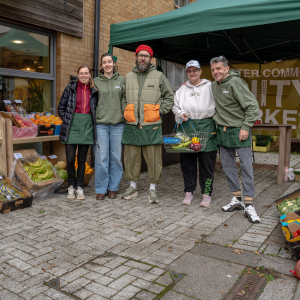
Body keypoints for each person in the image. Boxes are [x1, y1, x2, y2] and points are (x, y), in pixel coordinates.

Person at [210, 56, 260, 223]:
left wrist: (246, 127)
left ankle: (249, 204)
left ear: (227, 69)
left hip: (239, 131)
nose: (215, 72)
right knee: (228, 166)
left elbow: (252, 106)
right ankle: (237, 199)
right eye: (213, 69)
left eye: (218, 68)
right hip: (222, 132)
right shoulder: (213, 85)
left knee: (246, 166)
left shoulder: (236, 83)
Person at [121, 45, 174, 203]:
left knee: (153, 158)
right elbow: (123, 97)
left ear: (151, 59)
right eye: (140, 55)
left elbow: (169, 96)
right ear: (136, 57)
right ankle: (132, 187)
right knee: (131, 158)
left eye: (146, 56)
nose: (143, 58)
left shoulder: (159, 76)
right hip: (132, 125)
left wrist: (160, 111)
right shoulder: (128, 77)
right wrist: (126, 110)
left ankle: (152, 189)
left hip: (152, 124)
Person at [172, 60, 217, 207]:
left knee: (207, 163)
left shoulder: (210, 86)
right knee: (187, 163)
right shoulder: (181, 90)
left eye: (195, 70)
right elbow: (175, 107)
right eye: (189, 71)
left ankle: (206, 194)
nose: (192, 73)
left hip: (206, 125)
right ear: (186, 73)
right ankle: (188, 192)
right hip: (186, 126)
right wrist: (181, 113)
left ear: (200, 71)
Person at [58, 65, 98, 200]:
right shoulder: (70, 88)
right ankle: (71, 186)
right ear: (78, 74)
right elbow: (61, 108)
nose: (84, 75)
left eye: (86, 73)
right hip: (71, 126)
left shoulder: (94, 91)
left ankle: (79, 187)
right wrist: (68, 120)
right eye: (81, 73)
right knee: (70, 160)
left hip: (87, 126)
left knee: (82, 160)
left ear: (90, 75)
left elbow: (96, 109)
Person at [93, 53, 125, 200]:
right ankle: (101, 189)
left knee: (116, 158)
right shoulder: (95, 82)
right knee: (101, 158)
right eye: (104, 62)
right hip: (101, 125)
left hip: (118, 125)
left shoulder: (122, 81)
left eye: (109, 62)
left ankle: (113, 188)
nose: (107, 65)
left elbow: (126, 99)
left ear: (113, 63)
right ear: (101, 65)